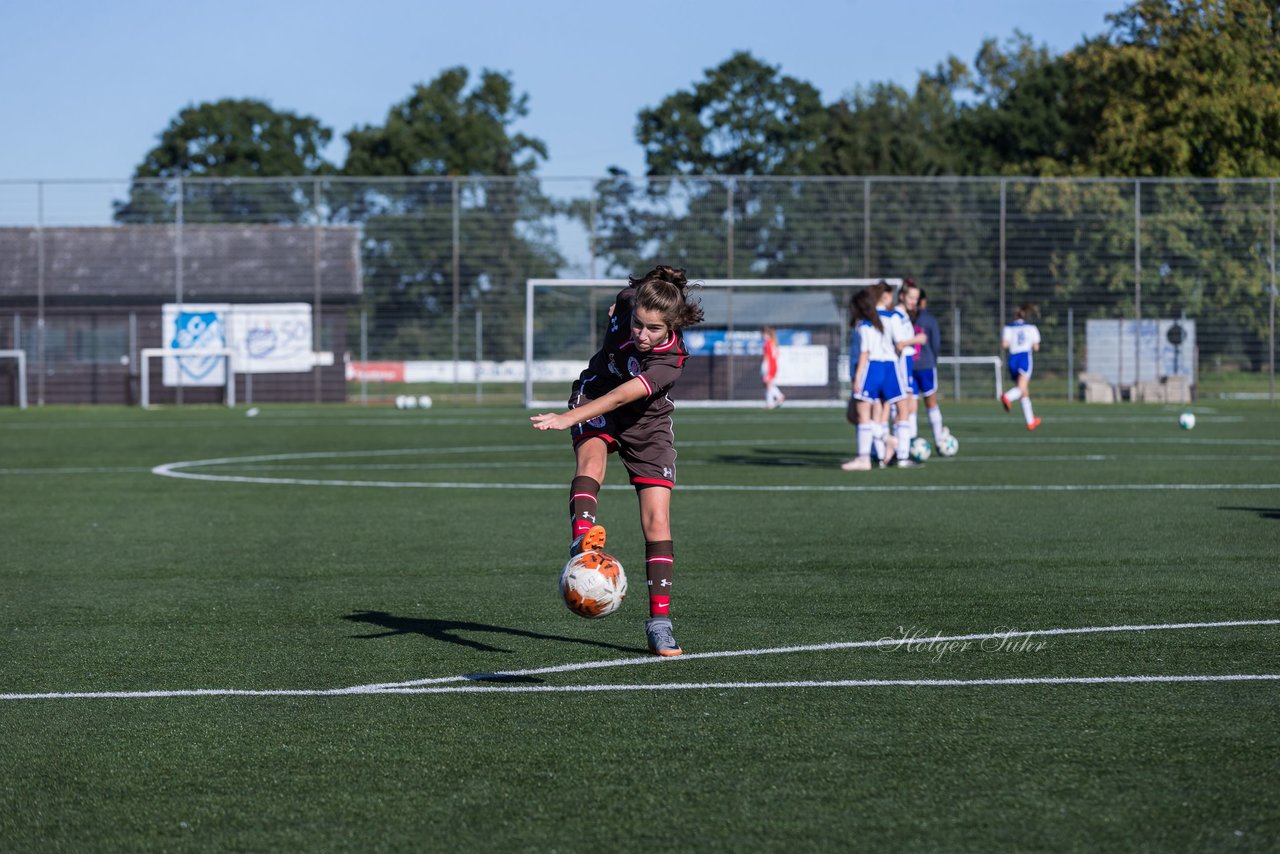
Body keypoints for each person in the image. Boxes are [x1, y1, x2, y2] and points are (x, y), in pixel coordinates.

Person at [531, 264, 704, 657]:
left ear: (672, 326)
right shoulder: (630, 302)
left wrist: (565, 418)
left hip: (646, 422)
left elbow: (624, 397)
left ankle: (659, 623)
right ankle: (582, 543)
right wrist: (617, 312)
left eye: (653, 329)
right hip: (595, 396)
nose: (641, 335)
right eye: (638, 325)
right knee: (591, 463)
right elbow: (622, 301)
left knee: (657, 519)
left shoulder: (670, 361)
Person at [842, 283, 918, 470]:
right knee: (899, 410)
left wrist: (857, 377)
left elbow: (864, 353)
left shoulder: (865, 326)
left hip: (873, 368)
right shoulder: (888, 319)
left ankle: (867, 456)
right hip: (892, 367)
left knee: (862, 414)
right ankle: (898, 453)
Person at [904, 284, 952, 446]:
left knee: (912, 405)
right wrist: (932, 359)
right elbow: (936, 344)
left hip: (910, 366)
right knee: (931, 403)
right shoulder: (930, 320)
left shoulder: (906, 319)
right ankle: (939, 439)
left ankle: (912, 440)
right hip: (926, 365)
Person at [1000, 302, 1042, 430]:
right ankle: (1007, 396)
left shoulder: (1008, 328)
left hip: (1012, 359)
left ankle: (1030, 421)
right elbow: (1036, 347)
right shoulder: (1031, 328)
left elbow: (1005, 345)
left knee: (1024, 391)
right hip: (1024, 358)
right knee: (1021, 388)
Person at [761, 326, 785, 409]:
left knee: (768, 384)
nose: (763, 336)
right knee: (768, 384)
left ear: (767, 334)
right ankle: (770, 402)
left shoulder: (768, 343)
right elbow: (777, 354)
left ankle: (778, 397)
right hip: (774, 365)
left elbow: (767, 356)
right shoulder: (774, 343)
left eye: (764, 334)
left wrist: (764, 365)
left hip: (769, 366)